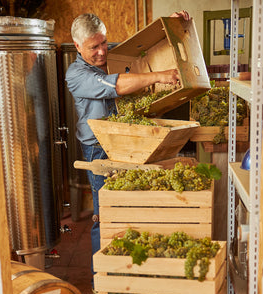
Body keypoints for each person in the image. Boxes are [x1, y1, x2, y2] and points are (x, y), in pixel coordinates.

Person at [65, 10, 190, 274]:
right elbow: (116, 86)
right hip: (98, 148)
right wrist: (158, 76)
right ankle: (103, 278)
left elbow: (147, 44)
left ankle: (134, 271)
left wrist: (171, 24)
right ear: (77, 46)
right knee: (106, 212)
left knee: (136, 207)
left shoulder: (115, 52)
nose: (102, 52)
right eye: (93, 47)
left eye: (103, 43)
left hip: (131, 140)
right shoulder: (75, 74)